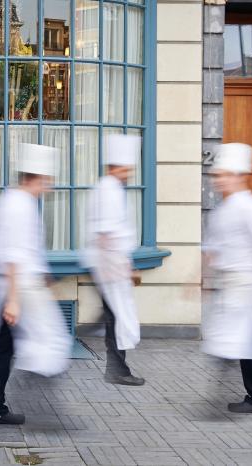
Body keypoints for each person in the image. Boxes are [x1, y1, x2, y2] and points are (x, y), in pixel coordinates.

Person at [0, 143, 72, 426]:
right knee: (45, 340)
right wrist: (13, 300)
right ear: (38, 178)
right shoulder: (19, 205)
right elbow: (12, 256)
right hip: (18, 289)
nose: (49, 187)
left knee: (4, 349)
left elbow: (26, 250)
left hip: (18, 287)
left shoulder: (17, 201)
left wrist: (44, 276)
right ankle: (18, 400)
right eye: (47, 181)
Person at [202, 142, 252, 414]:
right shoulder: (223, 210)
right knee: (235, 340)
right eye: (217, 176)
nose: (218, 181)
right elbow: (213, 249)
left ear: (240, 176)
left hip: (249, 285)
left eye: (224, 176)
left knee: (243, 340)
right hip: (230, 284)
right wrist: (199, 278)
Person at [83, 134, 145, 386]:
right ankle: (117, 370)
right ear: (116, 167)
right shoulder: (109, 190)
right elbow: (107, 234)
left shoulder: (107, 187)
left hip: (108, 263)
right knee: (118, 318)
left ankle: (116, 368)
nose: (129, 173)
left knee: (114, 317)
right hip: (110, 264)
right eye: (126, 168)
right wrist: (125, 267)